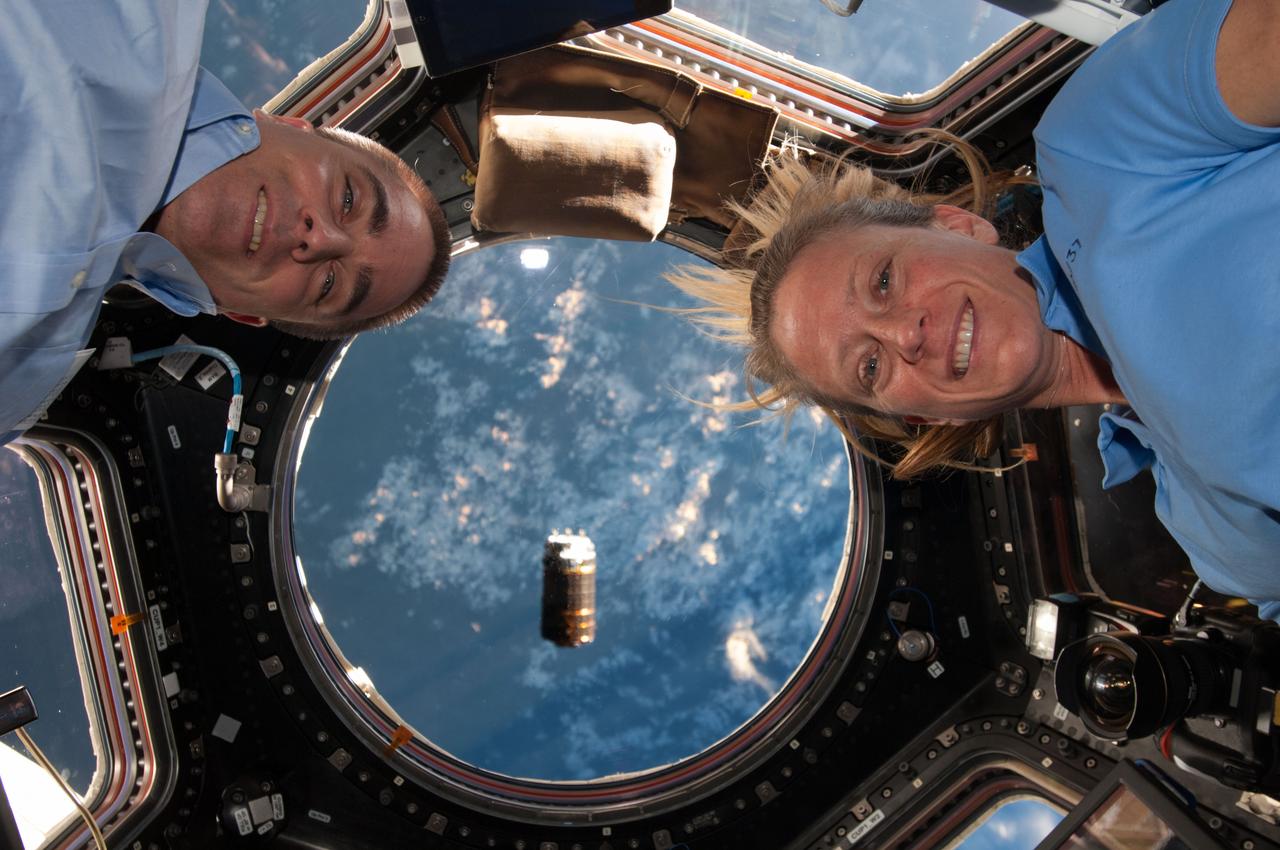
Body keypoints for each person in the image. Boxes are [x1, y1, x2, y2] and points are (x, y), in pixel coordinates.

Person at [669, 0, 1280, 620]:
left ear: (957, 226)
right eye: (870, 367)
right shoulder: (1218, 542)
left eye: (883, 280)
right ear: (923, 415)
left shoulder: (1099, 146)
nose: (904, 333)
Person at [0, 0, 452, 444]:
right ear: (292, 126)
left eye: (330, 284)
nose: (321, 238)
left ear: (241, 312)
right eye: (349, 198)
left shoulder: (21, 381)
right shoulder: (140, 16)